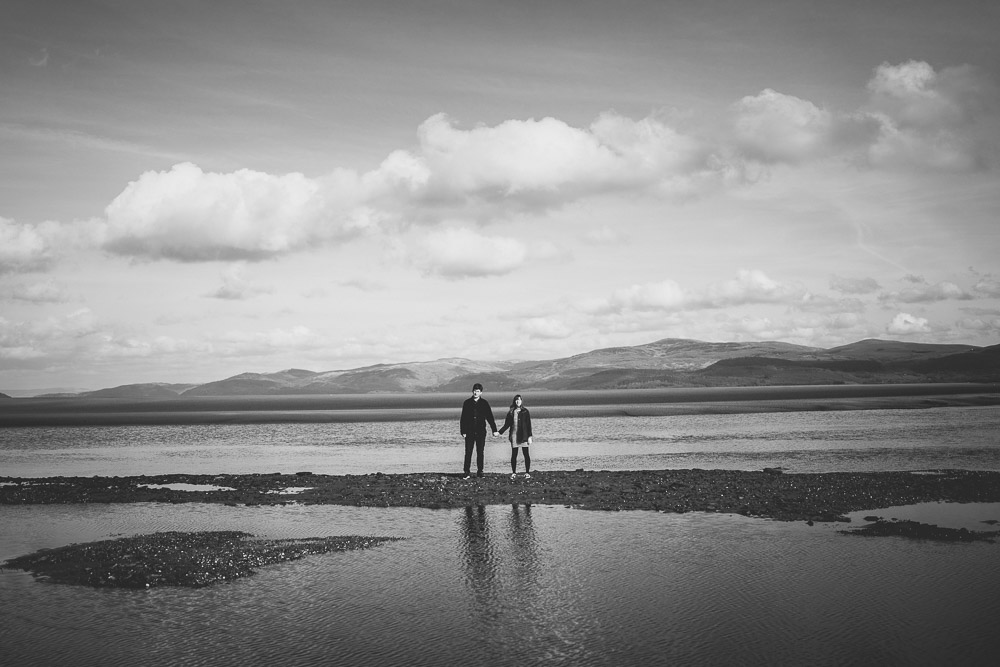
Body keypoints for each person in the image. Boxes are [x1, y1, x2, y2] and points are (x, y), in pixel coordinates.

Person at [459, 383, 498, 479]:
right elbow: (463, 418)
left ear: (481, 392)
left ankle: (480, 471)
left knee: (480, 451)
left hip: (481, 431)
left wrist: (494, 430)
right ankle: (466, 472)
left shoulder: (484, 403)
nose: (475, 393)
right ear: (472, 391)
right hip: (469, 431)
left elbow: (490, 417)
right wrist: (463, 431)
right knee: (468, 452)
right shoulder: (467, 403)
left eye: (477, 391)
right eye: (474, 391)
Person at [498, 394, 533, 480]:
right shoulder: (511, 412)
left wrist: (530, 436)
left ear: (522, 401)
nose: (518, 401)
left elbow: (528, 425)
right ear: (514, 401)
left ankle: (527, 472)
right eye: (516, 400)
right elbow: (507, 424)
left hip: (524, 435)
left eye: (519, 400)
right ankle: (514, 472)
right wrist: (499, 432)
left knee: (526, 454)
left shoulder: (525, 411)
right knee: (514, 454)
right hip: (514, 435)